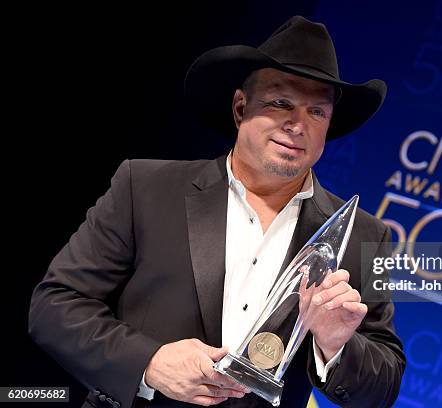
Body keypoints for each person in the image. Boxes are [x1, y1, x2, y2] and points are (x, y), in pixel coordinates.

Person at [29, 15, 405, 408]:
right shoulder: (145, 187)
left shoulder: (361, 235)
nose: (298, 125)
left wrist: (335, 344)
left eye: (317, 112)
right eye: (281, 103)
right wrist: (149, 363)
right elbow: (55, 306)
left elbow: (384, 384)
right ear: (240, 107)